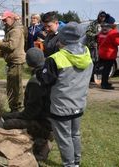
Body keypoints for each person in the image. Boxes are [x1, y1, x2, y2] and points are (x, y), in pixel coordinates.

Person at [37, 22, 93, 167]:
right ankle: (76, 162)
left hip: (61, 107)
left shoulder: (56, 59)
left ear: (62, 39)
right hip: (79, 104)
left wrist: (39, 71)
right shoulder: (87, 54)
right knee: (75, 134)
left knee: (64, 138)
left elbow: (45, 80)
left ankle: (69, 164)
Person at [2, 47, 52, 161]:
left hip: (44, 123)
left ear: (29, 64)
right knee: (7, 116)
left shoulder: (35, 81)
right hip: (51, 119)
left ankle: (40, 143)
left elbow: (32, 112)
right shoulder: (48, 74)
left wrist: (14, 116)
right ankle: (40, 141)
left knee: (6, 123)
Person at [0, 11, 25, 112]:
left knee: (15, 88)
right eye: (2, 21)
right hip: (11, 62)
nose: (4, 22)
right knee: (11, 87)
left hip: (16, 62)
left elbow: (11, 46)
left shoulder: (16, 30)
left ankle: (18, 109)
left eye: (5, 20)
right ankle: (13, 108)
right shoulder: (9, 30)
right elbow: (7, 47)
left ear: (11, 18)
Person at [98, 16, 119, 90]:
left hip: (102, 53)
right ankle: (105, 84)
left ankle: (104, 82)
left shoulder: (101, 32)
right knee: (107, 69)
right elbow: (117, 42)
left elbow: (99, 41)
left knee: (104, 69)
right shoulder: (113, 32)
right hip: (109, 54)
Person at [85, 11, 108, 82]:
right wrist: (95, 35)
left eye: (104, 17)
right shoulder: (93, 23)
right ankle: (91, 77)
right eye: (101, 16)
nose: (102, 18)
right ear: (99, 16)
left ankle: (99, 78)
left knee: (101, 63)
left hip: (102, 46)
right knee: (93, 62)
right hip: (93, 46)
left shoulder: (105, 24)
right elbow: (87, 32)